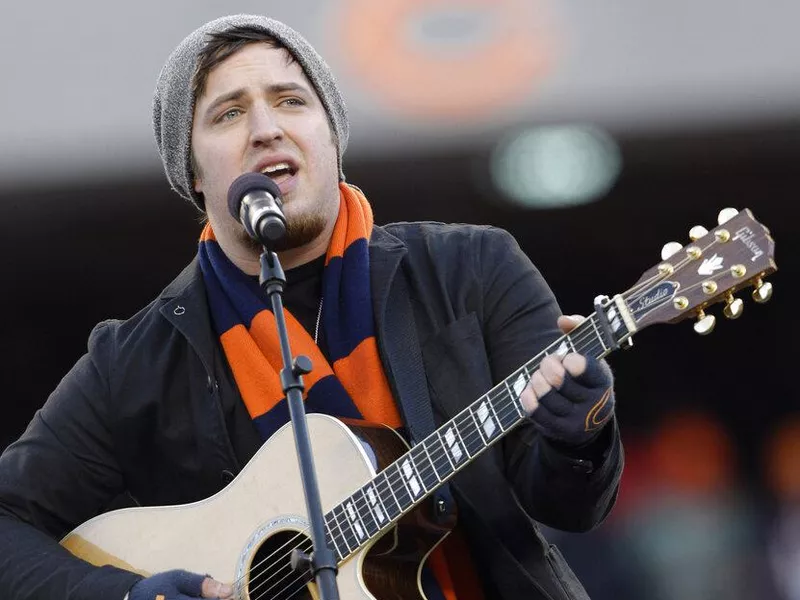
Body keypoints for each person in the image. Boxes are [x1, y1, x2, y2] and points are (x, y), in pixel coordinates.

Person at [0, 14, 623, 600]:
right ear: (193, 171)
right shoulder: (133, 364)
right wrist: (137, 594)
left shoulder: (472, 269)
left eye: (292, 101)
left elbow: (569, 505)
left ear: (331, 135)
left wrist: (579, 436)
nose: (267, 127)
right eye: (228, 113)